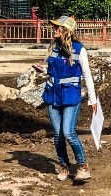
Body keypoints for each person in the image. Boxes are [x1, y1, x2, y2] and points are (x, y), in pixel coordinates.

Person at [42, 16, 98, 182]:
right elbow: (52, 70)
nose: (54, 30)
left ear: (66, 31)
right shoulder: (53, 47)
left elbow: (87, 74)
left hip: (70, 96)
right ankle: (65, 167)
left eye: (58, 27)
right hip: (53, 95)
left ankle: (82, 166)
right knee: (58, 135)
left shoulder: (79, 49)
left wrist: (92, 99)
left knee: (68, 132)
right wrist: (42, 70)